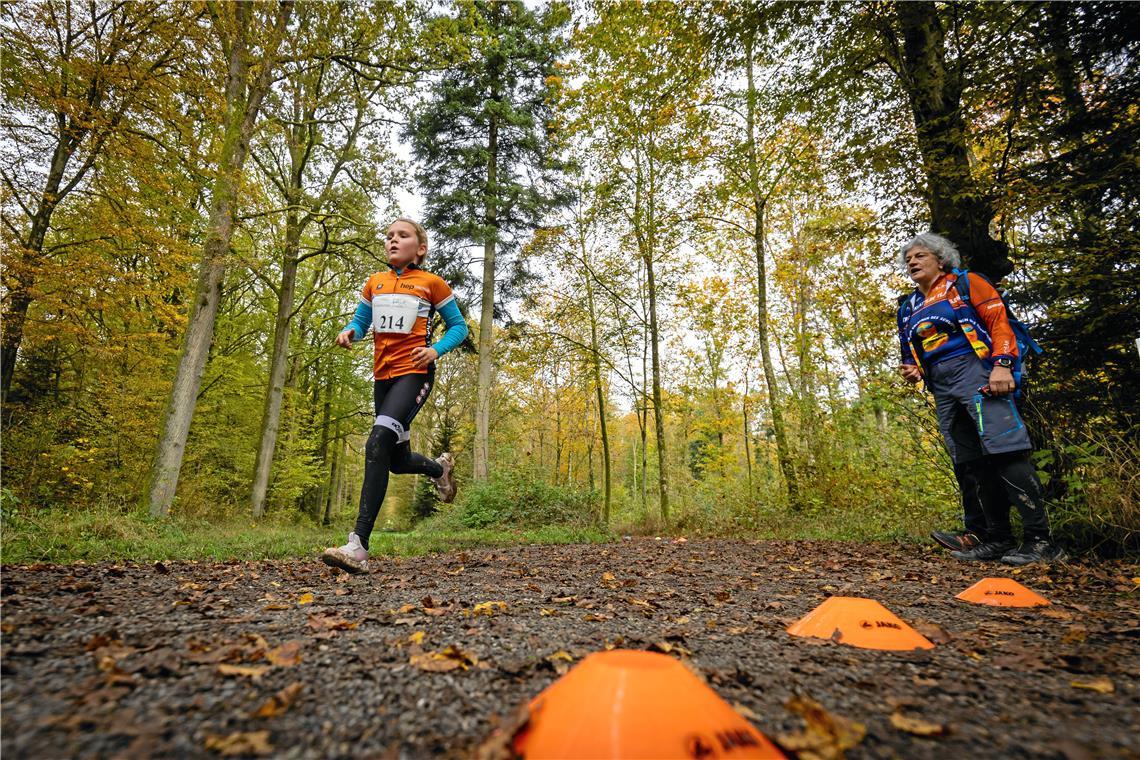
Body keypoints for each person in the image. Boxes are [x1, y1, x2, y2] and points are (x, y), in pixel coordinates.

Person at [897, 232, 1065, 565]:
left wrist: (1002, 365)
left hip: (978, 371)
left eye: (920, 256)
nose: (912, 262)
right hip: (941, 385)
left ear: (941, 259)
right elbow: (909, 352)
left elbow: (998, 322)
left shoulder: (967, 284)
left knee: (1006, 450)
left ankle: (1041, 541)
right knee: (969, 460)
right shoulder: (908, 307)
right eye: (909, 259)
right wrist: (913, 370)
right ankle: (997, 538)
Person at [321, 218, 468, 574]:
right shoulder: (375, 283)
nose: (393, 240)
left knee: (376, 443)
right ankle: (439, 468)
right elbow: (361, 321)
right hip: (383, 378)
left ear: (420, 248)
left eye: (402, 236)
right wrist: (349, 332)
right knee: (395, 460)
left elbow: (459, 327)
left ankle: (358, 546)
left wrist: (436, 350)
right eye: (389, 236)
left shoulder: (431, 283)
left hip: (415, 374)